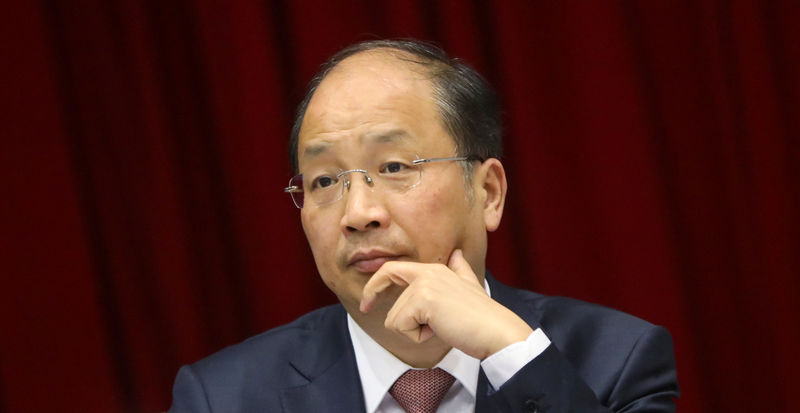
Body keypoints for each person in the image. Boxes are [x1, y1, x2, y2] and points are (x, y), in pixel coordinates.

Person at [168, 39, 679, 412]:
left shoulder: (616, 361)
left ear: (488, 193)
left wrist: (512, 356)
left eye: (393, 168)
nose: (358, 213)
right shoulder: (224, 397)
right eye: (324, 181)